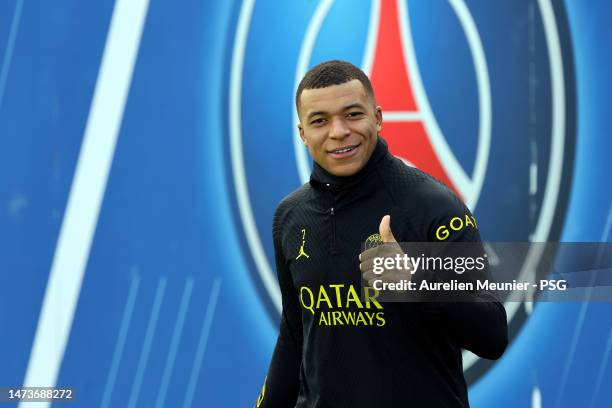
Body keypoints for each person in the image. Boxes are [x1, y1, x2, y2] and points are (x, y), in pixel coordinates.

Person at [255, 60, 507, 408]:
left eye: (353, 114)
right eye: (320, 121)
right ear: (302, 133)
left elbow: (492, 335)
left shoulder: (434, 208)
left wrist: (417, 282)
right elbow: (295, 335)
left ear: (378, 117)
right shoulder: (290, 216)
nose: (339, 131)